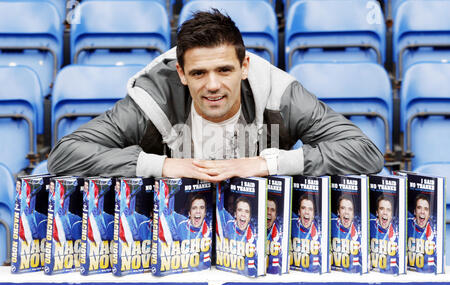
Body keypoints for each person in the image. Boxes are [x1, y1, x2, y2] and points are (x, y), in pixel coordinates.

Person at [47, 9, 384, 181]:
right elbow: (65, 156)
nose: (212, 85)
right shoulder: (152, 100)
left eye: (224, 70)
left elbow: (366, 153)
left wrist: (266, 163)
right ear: (181, 74)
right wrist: (163, 166)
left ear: (245, 66)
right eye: (198, 73)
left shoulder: (280, 94)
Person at [331, 194, 361, 272]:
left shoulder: (360, 233)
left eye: (350, 209)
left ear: (354, 214)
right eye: (343, 208)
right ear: (338, 212)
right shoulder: (330, 223)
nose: (346, 212)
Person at [291, 194, 321, 272]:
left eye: (310, 209)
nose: (306, 212)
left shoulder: (321, 229)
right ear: (299, 212)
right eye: (303, 208)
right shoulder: (290, 222)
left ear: (314, 214)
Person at [407, 193, 436, 273]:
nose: (422, 212)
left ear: (429, 214)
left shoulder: (435, 233)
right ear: (415, 211)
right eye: (419, 208)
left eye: (426, 209)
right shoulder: (406, 223)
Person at [369, 194, 398, 273]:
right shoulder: (368, 224)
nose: (385, 212)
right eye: (382, 209)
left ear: (392, 215)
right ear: (377, 212)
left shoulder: (398, 231)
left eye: (388, 210)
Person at [266, 198, 282, 274]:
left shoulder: (280, 235)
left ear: (275, 216)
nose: (269, 212)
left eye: (272, 210)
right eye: (266, 208)